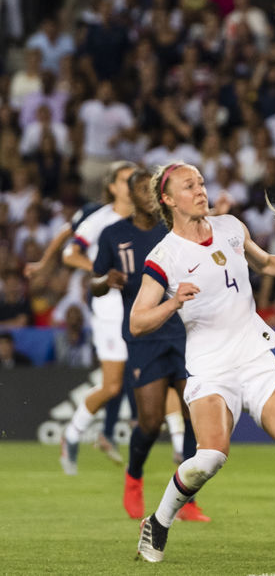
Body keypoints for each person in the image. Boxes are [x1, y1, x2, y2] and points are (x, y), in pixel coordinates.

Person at [131, 163, 275, 566]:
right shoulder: (165, 256)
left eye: (202, 182)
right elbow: (138, 321)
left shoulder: (229, 225)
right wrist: (173, 302)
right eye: (188, 186)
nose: (200, 190)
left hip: (255, 356)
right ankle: (158, 521)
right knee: (210, 458)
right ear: (168, 199)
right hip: (210, 368)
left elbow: (264, 264)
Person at [91, 167, 207, 522]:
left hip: (184, 331)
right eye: (139, 188)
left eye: (149, 188)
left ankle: (186, 499)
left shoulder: (171, 232)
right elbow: (93, 285)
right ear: (130, 193)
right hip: (144, 337)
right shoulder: (114, 234)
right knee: (151, 421)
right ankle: (134, 477)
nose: (145, 193)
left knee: (192, 415)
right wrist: (103, 281)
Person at [60, 161, 138, 473]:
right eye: (125, 180)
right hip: (108, 310)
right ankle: (72, 435)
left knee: (141, 377)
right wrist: (99, 271)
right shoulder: (100, 220)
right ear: (112, 187)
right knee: (111, 386)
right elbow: (70, 253)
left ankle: (118, 435)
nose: (131, 185)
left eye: (135, 180)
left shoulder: (144, 220)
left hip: (139, 308)